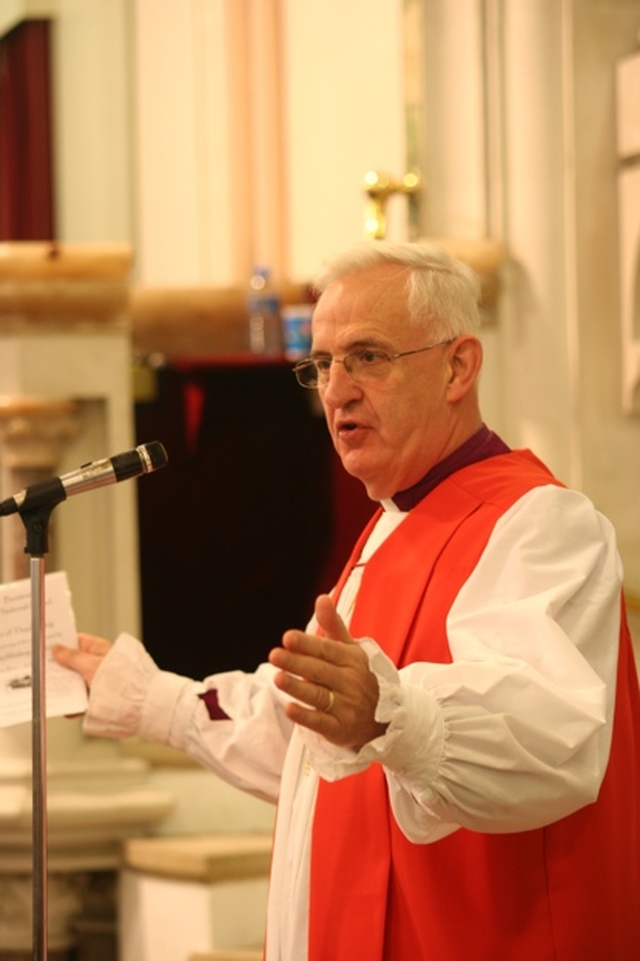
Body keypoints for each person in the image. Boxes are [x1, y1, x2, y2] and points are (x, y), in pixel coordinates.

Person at [54, 241, 640, 961]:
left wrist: (390, 712)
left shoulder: (540, 523)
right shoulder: (389, 528)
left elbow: (554, 736)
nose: (336, 389)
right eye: (324, 363)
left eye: (367, 356)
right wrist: (150, 696)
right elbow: (309, 740)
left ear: (458, 366)